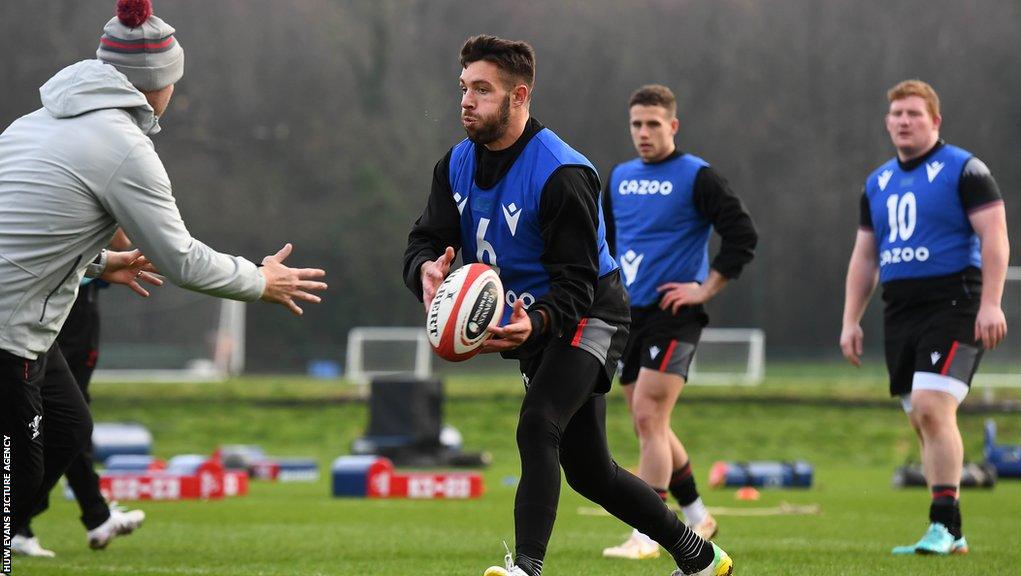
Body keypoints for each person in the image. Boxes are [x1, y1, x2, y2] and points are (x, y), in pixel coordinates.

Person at [0, 0, 327, 551]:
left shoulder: (33, 123)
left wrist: (102, 262)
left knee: (67, 427)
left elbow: (26, 235)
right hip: (10, 336)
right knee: (16, 481)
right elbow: (182, 260)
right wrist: (259, 281)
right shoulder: (124, 147)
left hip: (22, 324)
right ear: (157, 83)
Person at [404, 35, 732, 576]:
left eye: (482, 90)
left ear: (519, 96)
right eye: (463, 88)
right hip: (534, 324)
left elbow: (577, 281)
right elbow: (423, 239)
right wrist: (426, 271)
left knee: (537, 425)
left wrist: (534, 322)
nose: (466, 101)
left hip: (589, 315)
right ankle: (701, 557)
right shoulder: (454, 166)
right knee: (591, 472)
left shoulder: (562, 172)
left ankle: (526, 568)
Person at [840, 79, 1008, 555]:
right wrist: (851, 319)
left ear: (935, 121)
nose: (904, 122)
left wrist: (992, 303)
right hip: (901, 311)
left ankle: (943, 525)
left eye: (914, 114)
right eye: (896, 114)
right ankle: (951, 532)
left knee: (934, 409)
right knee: (922, 419)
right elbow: (864, 257)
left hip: (954, 303)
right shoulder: (877, 182)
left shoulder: (965, 169)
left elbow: (995, 236)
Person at [600, 85, 757, 560]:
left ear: (673, 125)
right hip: (629, 315)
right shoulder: (620, 178)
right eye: (636, 124)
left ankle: (647, 534)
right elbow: (603, 242)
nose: (643, 133)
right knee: (649, 423)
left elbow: (741, 235)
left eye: (653, 124)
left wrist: (704, 287)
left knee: (649, 415)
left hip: (677, 315)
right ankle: (697, 516)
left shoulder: (697, 176)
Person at [12, 231, 146, 557]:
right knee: (38, 435)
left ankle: (88, 514)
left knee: (70, 422)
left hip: (53, 303)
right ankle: (87, 515)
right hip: (41, 313)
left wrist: (102, 262)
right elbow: (119, 241)